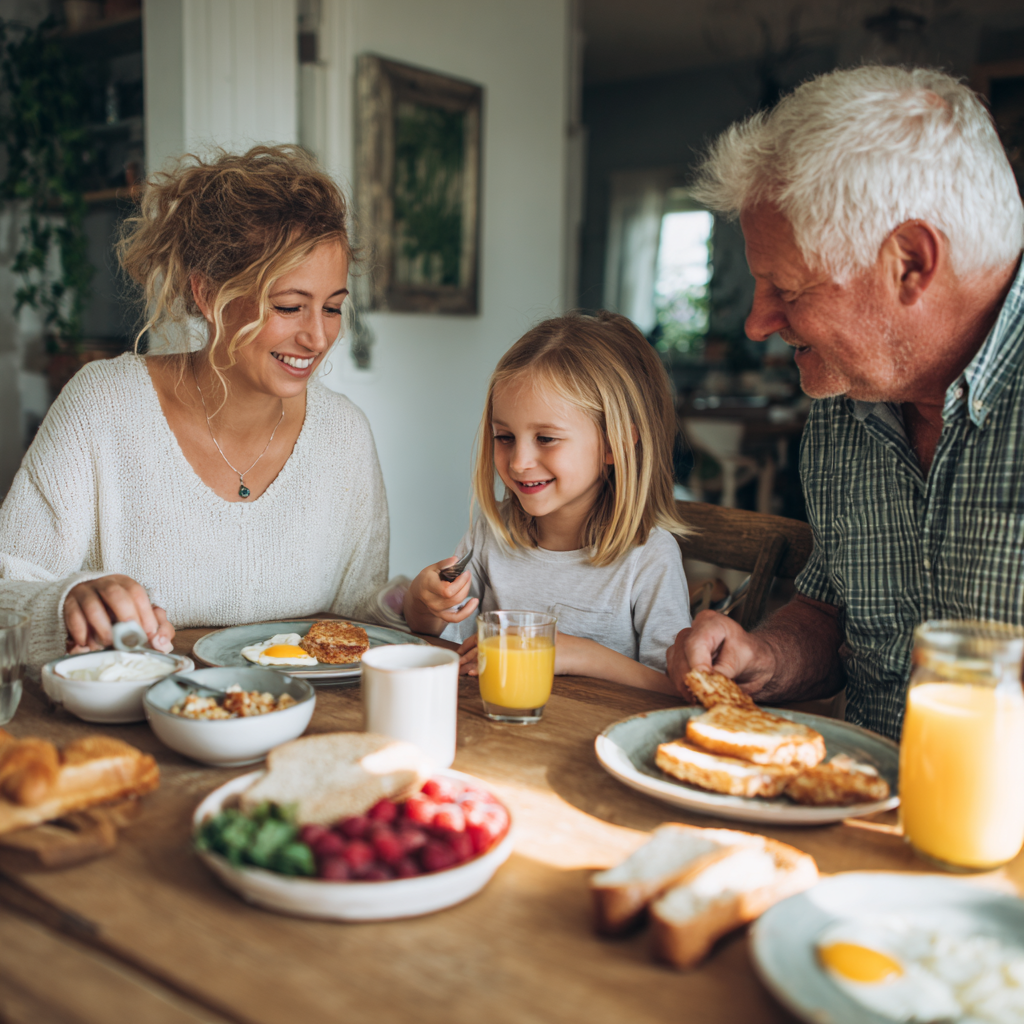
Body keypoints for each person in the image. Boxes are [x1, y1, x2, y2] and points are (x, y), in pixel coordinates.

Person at [666, 65, 1024, 739]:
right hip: (851, 797)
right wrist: (762, 657)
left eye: (788, 288)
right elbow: (835, 619)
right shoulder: (846, 404)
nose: (756, 323)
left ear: (911, 264)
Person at [0, 145, 389, 668]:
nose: (317, 337)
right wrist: (65, 603)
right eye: (289, 306)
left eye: (334, 308)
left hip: (306, 729)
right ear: (208, 295)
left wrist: (416, 606)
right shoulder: (103, 406)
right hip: (139, 727)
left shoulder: (345, 434)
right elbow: (8, 591)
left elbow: (364, 622)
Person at [403, 312, 692, 692]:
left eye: (546, 439)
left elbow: (675, 689)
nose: (520, 462)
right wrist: (423, 601)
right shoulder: (493, 535)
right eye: (505, 437)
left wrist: (579, 654)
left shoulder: (649, 557)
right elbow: (432, 630)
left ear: (614, 444)